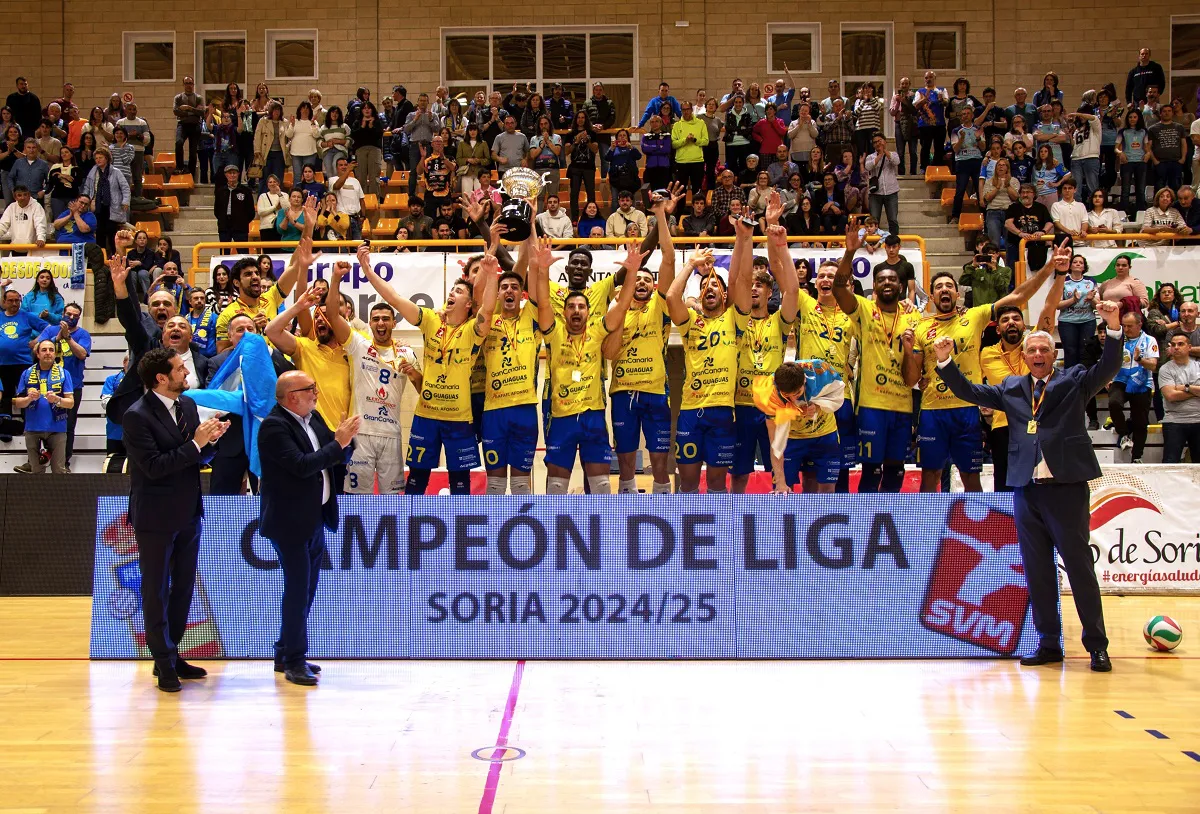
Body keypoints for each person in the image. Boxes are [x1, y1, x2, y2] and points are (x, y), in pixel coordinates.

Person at [932, 299, 1123, 673]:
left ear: (1053, 354)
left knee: (1079, 567)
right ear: (1024, 354)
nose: (1037, 353)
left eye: (1044, 349)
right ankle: (1048, 643)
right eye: (1031, 349)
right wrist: (944, 362)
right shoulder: (1012, 387)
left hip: (1066, 487)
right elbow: (970, 392)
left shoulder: (1075, 381)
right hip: (1026, 489)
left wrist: (1113, 327)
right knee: (1035, 570)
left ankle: (1096, 645)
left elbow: (1109, 367)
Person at [122, 346, 229, 691]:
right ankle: (163, 660)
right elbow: (153, 467)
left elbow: (193, 457)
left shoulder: (186, 405)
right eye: (180, 369)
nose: (186, 372)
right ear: (161, 378)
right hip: (155, 515)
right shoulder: (136, 415)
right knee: (156, 590)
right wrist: (196, 446)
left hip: (188, 511)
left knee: (184, 588)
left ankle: (173, 651)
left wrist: (210, 442)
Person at [906, 249, 1057, 492]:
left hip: (966, 410)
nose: (944, 289)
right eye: (938, 287)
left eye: (949, 285)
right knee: (930, 476)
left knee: (970, 478)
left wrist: (1049, 268)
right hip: (932, 411)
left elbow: (1017, 296)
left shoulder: (975, 316)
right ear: (932, 296)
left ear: (957, 293)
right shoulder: (920, 326)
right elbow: (913, 374)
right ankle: (928, 529)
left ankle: (973, 530)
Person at [361, 242, 499, 496]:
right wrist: (368, 271)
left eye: (459, 291)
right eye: (452, 289)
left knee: (460, 485)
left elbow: (488, 309)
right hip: (426, 416)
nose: (452, 293)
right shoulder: (431, 319)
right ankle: (411, 532)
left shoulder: (472, 331)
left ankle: (462, 533)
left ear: (468, 304)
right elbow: (394, 298)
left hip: (459, 418)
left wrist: (491, 277)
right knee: (416, 481)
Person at [257, 369, 360, 686]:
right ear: (292, 396)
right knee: (298, 590)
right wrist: (338, 444)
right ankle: (294, 661)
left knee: (307, 589)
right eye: (310, 389)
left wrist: (346, 443)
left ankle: (284, 650)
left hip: (315, 518)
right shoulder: (274, 427)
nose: (316, 393)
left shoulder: (312, 419)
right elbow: (303, 466)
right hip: (289, 522)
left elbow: (334, 453)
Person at [534, 238, 641, 495]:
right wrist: (542, 270)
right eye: (571, 306)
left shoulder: (596, 331)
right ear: (565, 311)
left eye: (581, 306)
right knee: (556, 487)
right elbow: (545, 303)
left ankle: (600, 534)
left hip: (593, 416)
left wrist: (633, 271)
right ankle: (554, 532)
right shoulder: (554, 332)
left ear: (588, 311)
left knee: (602, 487)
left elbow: (623, 304)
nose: (576, 310)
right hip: (562, 417)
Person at [831, 227, 923, 493]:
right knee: (871, 471)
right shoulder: (864, 310)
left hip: (902, 407)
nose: (886, 283)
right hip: (871, 406)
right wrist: (850, 252)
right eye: (880, 279)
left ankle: (887, 525)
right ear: (874, 286)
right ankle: (865, 526)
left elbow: (911, 378)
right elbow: (839, 288)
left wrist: (908, 349)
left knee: (895, 472)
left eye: (892, 280)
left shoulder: (913, 319)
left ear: (901, 287)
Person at [665, 216, 749, 493]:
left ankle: (721, 534)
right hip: (690, 410)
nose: (708, 288)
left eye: (714, 286)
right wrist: (691, 264)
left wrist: (742, 238)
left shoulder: (735, 320)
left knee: (716, 484)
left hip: (723, 411)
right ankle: (685, 534)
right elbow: (670, 298)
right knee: (688, 485)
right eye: (704, 287)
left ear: (725, 296)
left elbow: (740, 278)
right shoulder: (691, 321)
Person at [606, 193, 680, 495]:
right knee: (624, 459)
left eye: (648, 280)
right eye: (637, 279)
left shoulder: (660, 306)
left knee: (659, 459)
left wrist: (660, 215)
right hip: (623, 392)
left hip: (655, 392)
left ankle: (663, 500)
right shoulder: (615, 309)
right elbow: (607, 351)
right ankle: (626, 498)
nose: (642, 283)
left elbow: (669, 258)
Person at [330, 251, 417, 492]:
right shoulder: (359, 344)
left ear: (394, 323)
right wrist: (336, 279)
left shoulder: (406, 353)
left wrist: (414, 374)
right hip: (361, 434)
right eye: (376, 319)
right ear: (369, 322)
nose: (381, 323)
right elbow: (332, 316)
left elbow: (423, 389)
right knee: (357, 498)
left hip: (391, 434)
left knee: (392, 499)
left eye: (385, 319)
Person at [732, 206, 800, 493]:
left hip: (774, 403)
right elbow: (739, 279)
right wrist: (743, 239)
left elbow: (793, 292)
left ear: (769, 293)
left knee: (780, 469)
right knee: (738, 471)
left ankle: (782, 501)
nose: (755, 289)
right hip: (743, 403)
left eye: (762, 286)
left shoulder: (780, 322)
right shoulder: (735, 319)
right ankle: (733, 515)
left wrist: (781, 246)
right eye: (753, 285)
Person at [31, 302, 89, 470]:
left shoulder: (83, 334)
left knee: (68, 426)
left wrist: (68, 337)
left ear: (79, 318)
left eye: (75, 316)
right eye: (68, 314)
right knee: (43, 422)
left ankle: (64, 462)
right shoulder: (50, 330)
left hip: (72, 386)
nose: (71, 318)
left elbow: (82, 354)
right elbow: (36, 349)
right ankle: (39, 459)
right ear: (62, 314)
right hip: (46, 384)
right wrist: (57, 338)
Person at [9, 338, 73, 473]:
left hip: (57, 428)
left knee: (59, 471)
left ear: (55, 354)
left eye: (51, 350)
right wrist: (28, 399)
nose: (48, 353)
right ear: (37, 354)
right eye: (44, 350)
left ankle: (58, 495)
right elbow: (17, 402)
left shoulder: (64, 374)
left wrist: (57, 399)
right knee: (36, 473)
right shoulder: (26, 373)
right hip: (32, 428)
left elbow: (71, 403)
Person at [0, 283, 48, 441]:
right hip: (2, 364)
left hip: (23, 363)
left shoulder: (26, 316)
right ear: (4, 301)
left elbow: (48, 328)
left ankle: (28, 426)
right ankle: (5, 427)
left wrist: (37, 340)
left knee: (25, 394)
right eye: (11, 300)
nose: (14, 303)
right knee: (5, 395)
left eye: (17, 301)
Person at [1108, 310, 1158, 462]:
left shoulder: (1150, 340)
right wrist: (1106, 379)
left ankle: (1137, 457)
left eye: (1130, 326)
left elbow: (1153, 366)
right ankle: (1123, 433)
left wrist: (1140, 359)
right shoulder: (1118, 340)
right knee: (1114, 403)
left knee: (1140, 422)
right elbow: (1107, 362)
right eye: (1124, 326)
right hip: (1120, 379)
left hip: (1141, 382)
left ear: (1139, 324)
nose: (1127, 329)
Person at [1158, 332, 1200, 463]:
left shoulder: (1198, 366)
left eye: (1180, 344)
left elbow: (1176, 392)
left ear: (1189, 347)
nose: (1176, 347)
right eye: (1173, 345)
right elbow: (1170, 395)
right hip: (1174, 421)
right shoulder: (1165, 369)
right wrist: (1195, 390)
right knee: (1170, 463)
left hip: (1198, 419)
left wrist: (1185, 387)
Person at [864, 132, 900, 234]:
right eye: (875, 142)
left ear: (885, 141)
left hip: (891, 191)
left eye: (879, 141)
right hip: (875, 193)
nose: (877, 144)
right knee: (874, 220)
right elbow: (868, 167)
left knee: (893, 219)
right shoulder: (870, 157)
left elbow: (896, 162)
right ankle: (874, 243)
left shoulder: (893, 154)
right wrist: (880, 155)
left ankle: (893, 242)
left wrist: (885, 152)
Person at [214, 165, 254, 245]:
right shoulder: (220, 191)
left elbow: (251, 211)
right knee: (224, 254)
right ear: (226, 175)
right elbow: (217, 210)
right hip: (224, 227)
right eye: (230, 173)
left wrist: (243, 222)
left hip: (240, 227)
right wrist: (222, 220)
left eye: (234, 173)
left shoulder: (245, 191)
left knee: (243, 253)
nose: (232, 175)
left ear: (238, 174)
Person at [173, 76, 203, 178]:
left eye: (190, 83)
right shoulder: (178, 98)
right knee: (178, 142)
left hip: (195, 125)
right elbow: (176, 111)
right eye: (186, 83)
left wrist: (188, 108)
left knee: (193, 151)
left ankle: (191, 173)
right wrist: (193, 112)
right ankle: (180, 167)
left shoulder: (198, 98)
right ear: (183, 85)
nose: (189, 85)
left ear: (193, 84)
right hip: (183, 124)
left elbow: (201, 112)